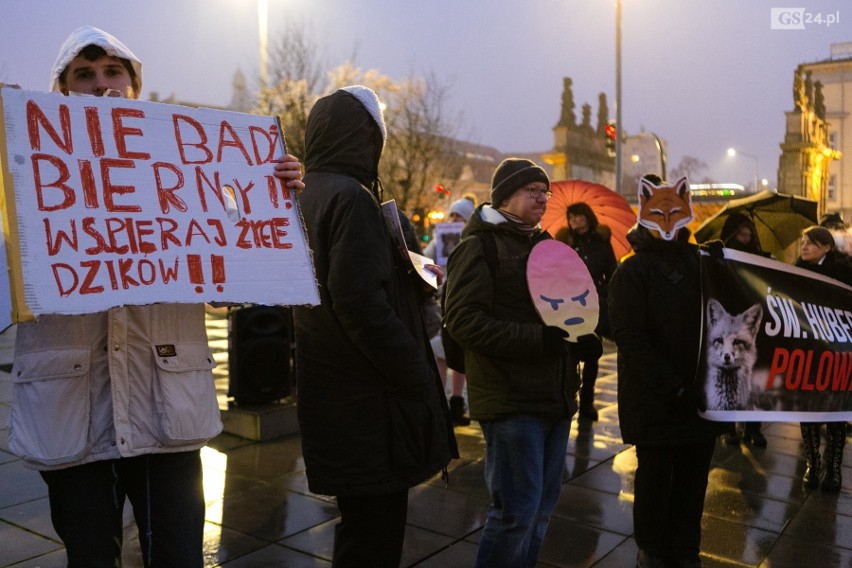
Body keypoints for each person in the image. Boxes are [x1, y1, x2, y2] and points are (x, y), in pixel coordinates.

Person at [7, 26, 305, 567]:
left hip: (166, 411)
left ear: (135, 86)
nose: (102, 86)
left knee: (179, 559)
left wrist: (271, 196)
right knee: (90, 558)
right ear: (60, 91)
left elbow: (230, 286)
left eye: (114, 72)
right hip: (71, 413)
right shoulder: (22, 173)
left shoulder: (184, 170)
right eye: (84, 75)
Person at [293, 85, 458, 568]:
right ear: (367, 139)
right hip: (370, 402)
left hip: (331, 390)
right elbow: (360, 302)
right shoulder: (351, 198)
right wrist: (415, 369)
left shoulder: (308, 196)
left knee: (359, 527)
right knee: (375, 536)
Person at [443, 157, 587, 568]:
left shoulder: (545, 245)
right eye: (533, 191)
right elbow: (464, 321)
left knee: (541, 512)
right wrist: (537, 340)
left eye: (546, 192)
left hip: (555, 397)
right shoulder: (479, 246)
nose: (543, 199)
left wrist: (581, 341)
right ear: (505, 195)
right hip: (511, 400)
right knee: (515, 514)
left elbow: (563, 315)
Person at [608, 174, 725, 568]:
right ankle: (653, 552)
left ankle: (685, 551)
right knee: (655, 483)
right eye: (659, 212)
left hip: (700, 402)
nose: (668, 219)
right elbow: (631, 338)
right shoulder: (632, 270)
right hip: (656, 402)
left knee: (693, 486)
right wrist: (673, 389)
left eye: (676, 211)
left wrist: (728, 266)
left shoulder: (702, 264)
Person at [794, 225, 851, 491]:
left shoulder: (843, 271)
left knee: (835, 410)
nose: (803, 246)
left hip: (836, 353)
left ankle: (834, 468)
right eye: (802, 241)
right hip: (807, 351)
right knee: (808, 408)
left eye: (811, 242)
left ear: (826, 247)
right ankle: (813, 463)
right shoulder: (793, 271)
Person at [553, 201, 617, 421]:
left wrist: (605, 293)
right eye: (570, 218)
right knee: (569, 349)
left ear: (587, 217)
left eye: (578, 216)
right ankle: (570, 394)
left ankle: (587, 401)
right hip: (569, 302)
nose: (574, 221)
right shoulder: (565, 243)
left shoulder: (601, 241)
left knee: (592, 352)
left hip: (594, 303)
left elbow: (612, 271)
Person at [717, 213, 769, 448]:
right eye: (742, 235)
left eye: (750, 235)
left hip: (753, 327)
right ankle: (730, 427)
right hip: (730, 326)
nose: (747, 239)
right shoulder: (723, 258)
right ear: (732, 234)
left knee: (754, 379)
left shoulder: (758, 257)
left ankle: (752, 427)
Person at [424, 197, 476, 425]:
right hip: (441, 302)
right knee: (440, 353)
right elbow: (424, 261)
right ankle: (442, 402)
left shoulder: (472, 241)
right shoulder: (437, 241)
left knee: (458, 354)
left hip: (462, 302)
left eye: (460, 217)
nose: (455, 220)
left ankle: (456, 402)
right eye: (452, 215)